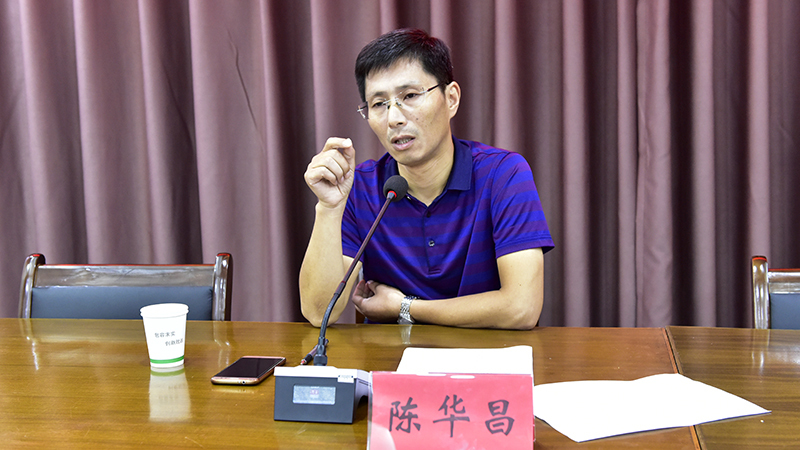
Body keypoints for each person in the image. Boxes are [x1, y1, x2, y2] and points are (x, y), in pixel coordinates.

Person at [300, 28, 553, 330]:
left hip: (485, 356)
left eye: (409, 96)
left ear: (451, 99)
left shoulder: (504, 174)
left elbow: (522, 308)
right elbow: (318, 312)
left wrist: (405, 307)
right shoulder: (361, 187)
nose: (394, 118)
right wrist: (328, 208)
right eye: (379, 104)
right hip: (388, 357)